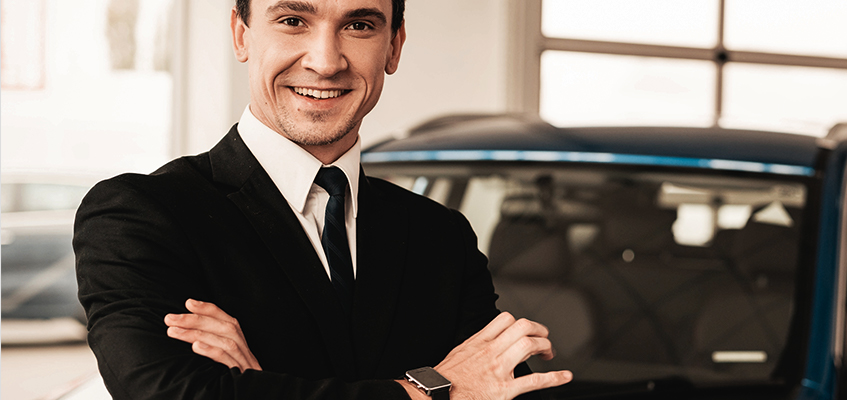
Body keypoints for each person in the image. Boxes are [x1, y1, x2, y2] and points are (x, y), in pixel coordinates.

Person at [73, 0, 572, 399]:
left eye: (359, 25)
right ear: (241, 33)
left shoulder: (440, 237)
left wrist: (255, 384)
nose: (326, 61)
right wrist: (433, 390)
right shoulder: (139, 215)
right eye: (293, 20)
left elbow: (505, 389)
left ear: (394, 46)